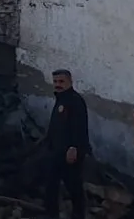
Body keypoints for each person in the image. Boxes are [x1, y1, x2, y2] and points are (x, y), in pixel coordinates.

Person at [44, 69, 88, 219]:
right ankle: (51, 214)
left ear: (70, 82)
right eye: (55, 81)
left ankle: (78, 215)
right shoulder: (61, 99)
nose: (58, 85)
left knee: (74, 187)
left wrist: (74, 148)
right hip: (56, 151)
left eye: (61, 82)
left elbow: (79, 126)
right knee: (51, 186)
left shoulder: (75, 101)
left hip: (70, 153)